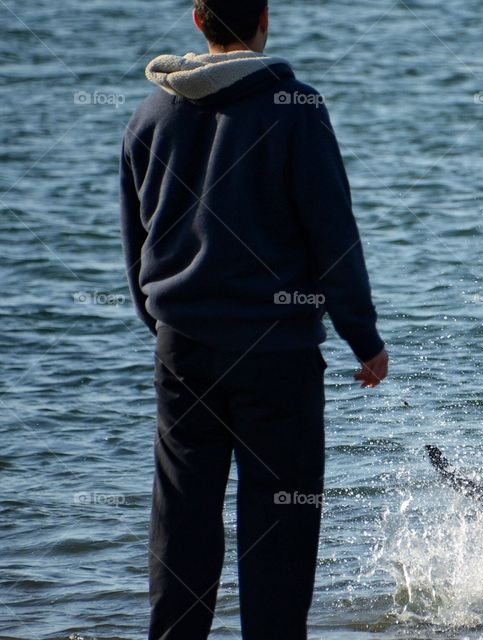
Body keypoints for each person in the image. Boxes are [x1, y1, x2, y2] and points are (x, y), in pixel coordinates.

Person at [119, 1, 388, 637]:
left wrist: (158, 324)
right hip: (277, 352)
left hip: (182, 346)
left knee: (182, 515)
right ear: (263, 19)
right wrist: (364, 338)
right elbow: (332, 234)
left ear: (197, 20)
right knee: (281, 519)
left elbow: (137, 242)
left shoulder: (149, 113)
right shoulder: (295, 107)